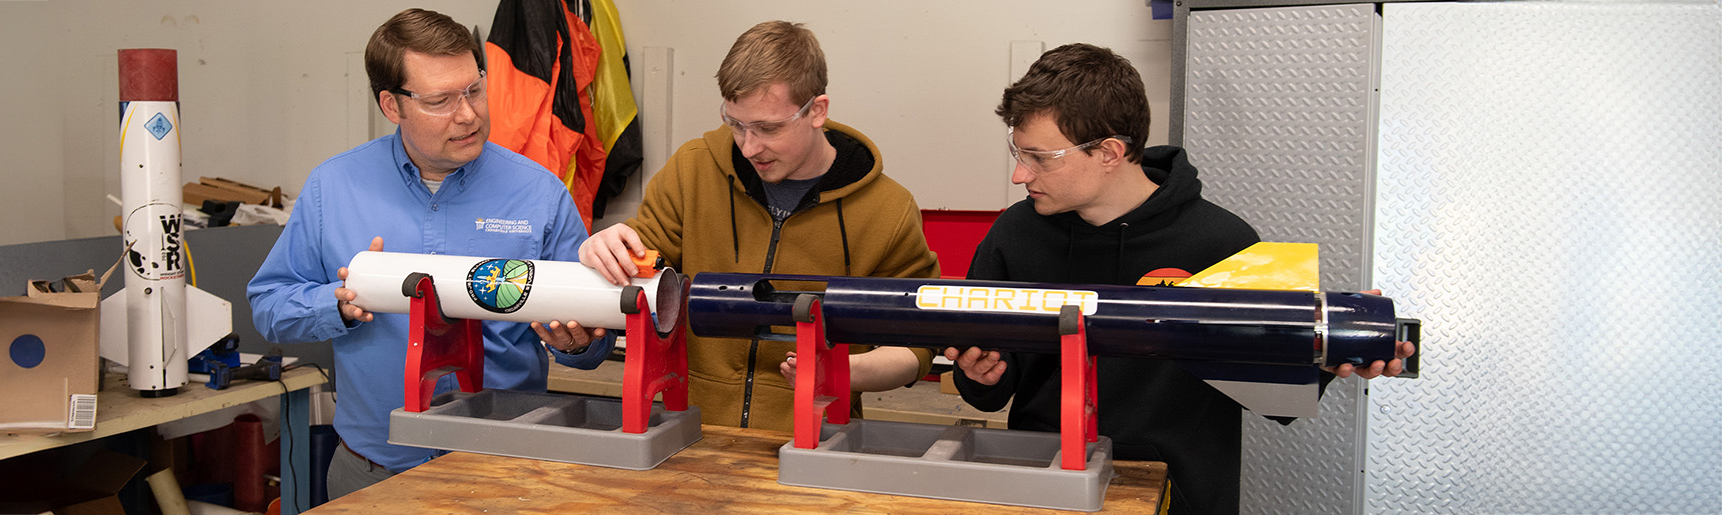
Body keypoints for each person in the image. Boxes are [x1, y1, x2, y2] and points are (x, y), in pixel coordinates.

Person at [942, 44, 1414, 515]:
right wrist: (981, 374)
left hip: (1183, 493)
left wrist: (1328, 358)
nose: (1020, 174)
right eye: (1018, 152)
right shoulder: (1015, 234)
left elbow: (1278, 399)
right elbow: (989, 390)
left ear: (1110, 152)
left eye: (1040, 158)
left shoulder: (1223, 242)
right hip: (1047, 491)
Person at [247, 8, 612, 499]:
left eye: (474, 90)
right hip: (372, 472)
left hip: (502, 473)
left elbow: (595, 343)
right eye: (440, 100)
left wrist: (577, 344)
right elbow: (269, 305)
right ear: (391, 105)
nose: (468, 115)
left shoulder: (540, 195)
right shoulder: (332, 188)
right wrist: (339, 305)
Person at [578, 21, 939, 431]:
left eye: (768, 128)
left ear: (817, 110)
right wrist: (606, 252)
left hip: (816, 445)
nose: (749, 147)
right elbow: (642, 272)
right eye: (735, 124)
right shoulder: (691, 171)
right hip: (689, 434)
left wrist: (842, 371)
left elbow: (917, 342)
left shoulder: (887, 210)